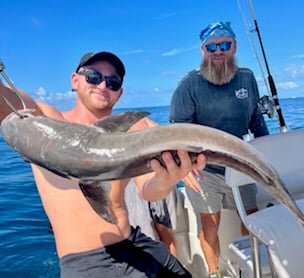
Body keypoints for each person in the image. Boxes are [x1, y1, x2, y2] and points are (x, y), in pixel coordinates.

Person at [0, 51, 206, 277]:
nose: (103, 85)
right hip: (85, 261)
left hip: (134, 243)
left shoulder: (129, 131)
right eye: (93, 77)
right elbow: (8, 101)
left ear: (120, 93)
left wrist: (166, 180)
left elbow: (149, 191)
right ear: (75, 80)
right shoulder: (46, 120)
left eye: (113, 82)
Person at [169, 21, 269, 278]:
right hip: (205, 171)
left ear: (234, 46)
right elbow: (177, 132)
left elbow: (256, 118)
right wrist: (185, 168)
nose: (218, 51)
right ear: (203, 50)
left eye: (224, 45)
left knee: (252, 218)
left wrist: (268, 154)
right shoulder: (188, 84)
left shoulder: (246, 77)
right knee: (210, 225)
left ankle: (252, 267)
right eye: (211, 46)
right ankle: (214, 273)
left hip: (241, 164)